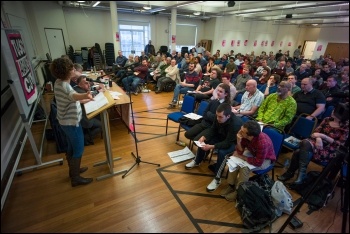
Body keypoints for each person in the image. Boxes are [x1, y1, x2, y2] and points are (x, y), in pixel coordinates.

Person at [277, 103, 349, 185]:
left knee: (299, 150)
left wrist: (323, 136)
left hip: (328, 150)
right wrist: (318, 138)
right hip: (314, 144)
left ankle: (290, 173)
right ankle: (300, 176)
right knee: (303, 146)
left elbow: (340, 144)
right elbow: (314, 133)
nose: (332, 111)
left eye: (335, 112)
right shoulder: (327, 119)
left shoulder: (346, 127)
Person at [49, 57, 93, 187]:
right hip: (71, 123)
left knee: (71, 146)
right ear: (67, 72)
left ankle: (73, 170)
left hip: (65, 121)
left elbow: (71, 96)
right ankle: (75, 178)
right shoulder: (64, 85)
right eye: (72, 69)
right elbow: (73, 96)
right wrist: (85, 95)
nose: (74, 69)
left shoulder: (58, 81)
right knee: (78, 148)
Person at [185, 103, 243, 192]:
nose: (217, 118)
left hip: (233, 143)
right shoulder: (218, 117)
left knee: (222, 153)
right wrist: (204, 137)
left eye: (220, 117)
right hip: (221, 136)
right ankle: (197, 161)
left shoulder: (235, 124)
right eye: (217, 116)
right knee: (204, 142)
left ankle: (217, 179)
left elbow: (227, 143)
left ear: (228, 116)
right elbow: (213, 129)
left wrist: (212, 146)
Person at [220, 120, 276, 201]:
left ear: (250, 136)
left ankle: (239, 192)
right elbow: (239, 151)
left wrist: (243, 157)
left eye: (242, 131)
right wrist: (238, 141)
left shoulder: (263, 143)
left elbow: (258, 162)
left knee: (245, 168)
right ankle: (231, 184)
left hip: (265, 159)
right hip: (253, 152)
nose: (239, 131)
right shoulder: (245, 137)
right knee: (234, 160)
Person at [73, 76, 102, 145]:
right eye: (86, 83)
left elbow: (88, 90)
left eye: (88, 83)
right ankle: (85, 138)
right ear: (80, 84)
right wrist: (92, 97)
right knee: (102, 125)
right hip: (83, 118)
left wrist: (96, 89)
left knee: (100, 116)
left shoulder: (77, 88)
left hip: (85, 113)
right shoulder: (79, 92)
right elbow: (82, 99)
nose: (88, 85)